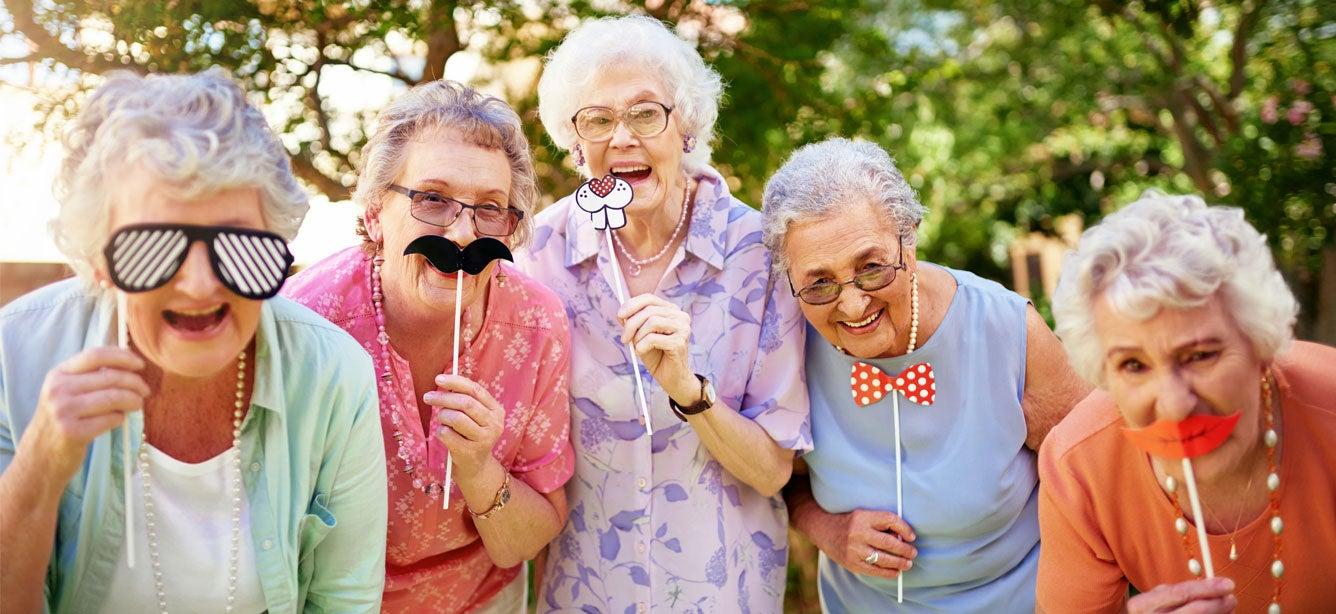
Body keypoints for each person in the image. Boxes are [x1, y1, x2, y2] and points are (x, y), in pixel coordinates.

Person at [0, 69, 387, 613]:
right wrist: (38, 468)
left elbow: (344, 601)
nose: (202, 285)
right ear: (98, 261)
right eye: (153, 246)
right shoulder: (13, 355)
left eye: (239, 247)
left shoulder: (333, 376)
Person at [520, 15, 812, 613]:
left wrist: (688, 389)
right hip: (584, 593)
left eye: (646, 112)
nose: (621, 137)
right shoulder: (542, 252)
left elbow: (773, 472)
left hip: (723, 593)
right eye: (597, 119)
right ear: (576, 143)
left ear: (687, 126)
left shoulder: (759, 253)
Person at [761, 137, 1090, 611]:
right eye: (819, 283)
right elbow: (775, 477)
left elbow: (1093, 476)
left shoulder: (1005, 328)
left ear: (909, 238)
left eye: (872, 267)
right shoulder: (784, 346)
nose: (852, 305)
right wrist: (826, 527)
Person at [283, 79, 574, 613]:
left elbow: (523, 544)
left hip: (482, 601)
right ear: (375, 213)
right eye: (433, 199)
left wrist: (480, 467)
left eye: (490, 208)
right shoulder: (306, 324)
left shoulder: (536, 325)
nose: (463, 233)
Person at [1039, 192, 1336, 613]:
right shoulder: (1080, 468)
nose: (1175, 406)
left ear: (1261, 344)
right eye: (1134, 365)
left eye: (1201, 356)